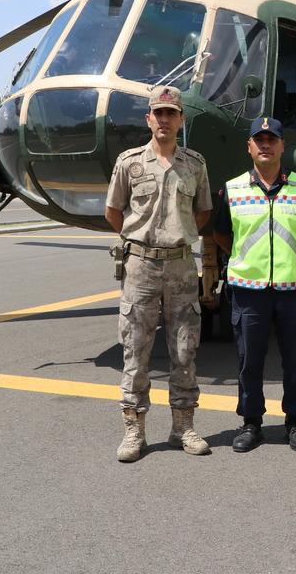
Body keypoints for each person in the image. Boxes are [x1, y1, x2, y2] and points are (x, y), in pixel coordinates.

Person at [105, 85, 213, 462]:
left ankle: (183, 426)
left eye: (171, 113)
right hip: (140, 266)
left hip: (182, 265)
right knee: (136, 349)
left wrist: (173, 238)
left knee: (185, 348)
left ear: (181, 119)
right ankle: (134, 431)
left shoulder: (195, 165)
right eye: (158, 113)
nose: (164, 119)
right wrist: (144, 241)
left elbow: (201, 214)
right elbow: (114, 212)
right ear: (149, 118)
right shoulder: (129, 163)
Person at [213, 116, 296, 453]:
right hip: (249, 290)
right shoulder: (232, 190)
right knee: (249, 360)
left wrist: (288, 258)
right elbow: (222, 235)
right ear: (249, 146)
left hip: (293, 289)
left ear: (282, 146)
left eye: (271, 139)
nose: (265, 144)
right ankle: (251, 423)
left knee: (295, 360)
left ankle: (295, 422)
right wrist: (250, 259)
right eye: (258, 139)